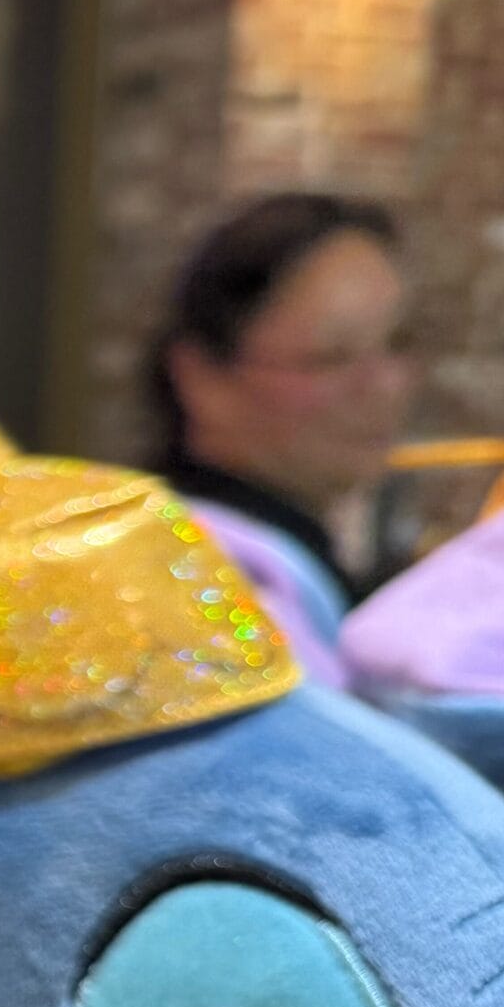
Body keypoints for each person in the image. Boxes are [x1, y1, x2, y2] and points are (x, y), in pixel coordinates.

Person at [147, 193, 414, 682]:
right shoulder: (208, 571)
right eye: (330, 356)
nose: (386, 386)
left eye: (399, 343)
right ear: (200, 377)